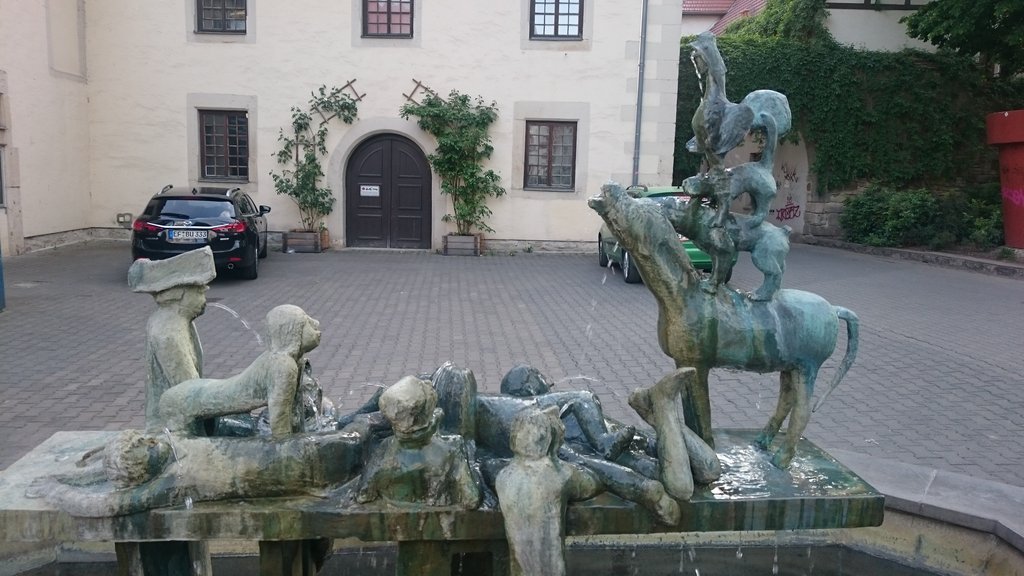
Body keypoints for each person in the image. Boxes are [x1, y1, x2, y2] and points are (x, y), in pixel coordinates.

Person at [158, 304, 321, 438]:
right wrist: (286, 448)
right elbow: (279, 417)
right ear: (292, 332)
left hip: (193, 396)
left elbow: (294, 412)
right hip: (180, 403)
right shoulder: (283, 365)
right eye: (306, 322)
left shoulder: (293, 361)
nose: (316, 323)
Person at [355, 376, 481, 508]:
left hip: (395, 517)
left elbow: (363, 494)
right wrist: (475, 469)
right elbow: (471, 499)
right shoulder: (451, 450)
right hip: (442, 519)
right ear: (429, 415)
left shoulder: (384, 450)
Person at [128, 247, 216, 432]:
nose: (205, 300)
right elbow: (190, 392)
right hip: (177, 430)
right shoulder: (169, 333)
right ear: (181, 294)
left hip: (179, 421)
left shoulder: (176, 320)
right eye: (200, 293)